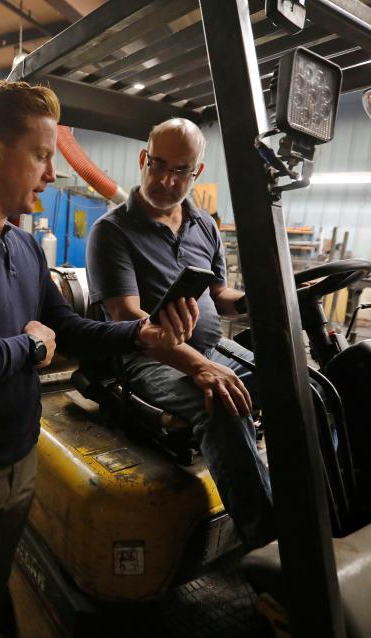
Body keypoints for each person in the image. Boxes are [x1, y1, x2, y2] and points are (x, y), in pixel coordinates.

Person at [0, 81, 198, 638]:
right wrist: (27, 347)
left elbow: (68, 328)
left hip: (19, 461)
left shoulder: (25, 245)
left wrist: (141, 335)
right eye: (41, 155)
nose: (52, 173)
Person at [85, 118, 275, 548]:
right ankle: (271, 546)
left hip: (210, 347)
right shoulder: (111, 232)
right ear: (143, 159)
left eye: (181, 171)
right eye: (159, 165)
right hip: (147, 360)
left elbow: (220, 294)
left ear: (198, 173)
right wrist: (202, 367)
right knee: (222, 407)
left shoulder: (204, 224)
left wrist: (255, 299)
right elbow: (127, 318)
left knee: (303, 384)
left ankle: (323, 511)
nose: (167, 180)